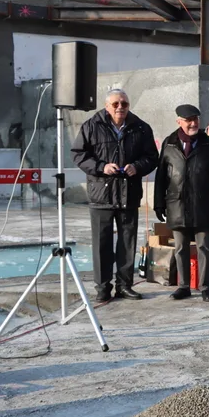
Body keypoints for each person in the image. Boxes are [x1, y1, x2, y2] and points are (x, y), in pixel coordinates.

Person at [72, 87, 158, 305]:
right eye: (116, 104)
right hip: (101, 194)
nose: (120, 107)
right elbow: (79, 155)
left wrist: (137, 167)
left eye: (124, 104)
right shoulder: (91, 126)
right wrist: (101, 167)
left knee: (127, 243)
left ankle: (124, 285)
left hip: (129, 194)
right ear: (106, 106)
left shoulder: (141, 127)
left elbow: (151, 157)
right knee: (101, 244)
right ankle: (103, 288)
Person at [153, 105, 209, 302]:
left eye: (196, 119)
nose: (193, 123)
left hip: (203, 205)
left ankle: (205, 287)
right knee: (180, 248)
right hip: (177, 204)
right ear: (179, 121)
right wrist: (158, 202)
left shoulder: (208, 144)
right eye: (188, 120)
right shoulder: (169, 143)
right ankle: (183, 286)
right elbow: (161, 176)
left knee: (204, 247)